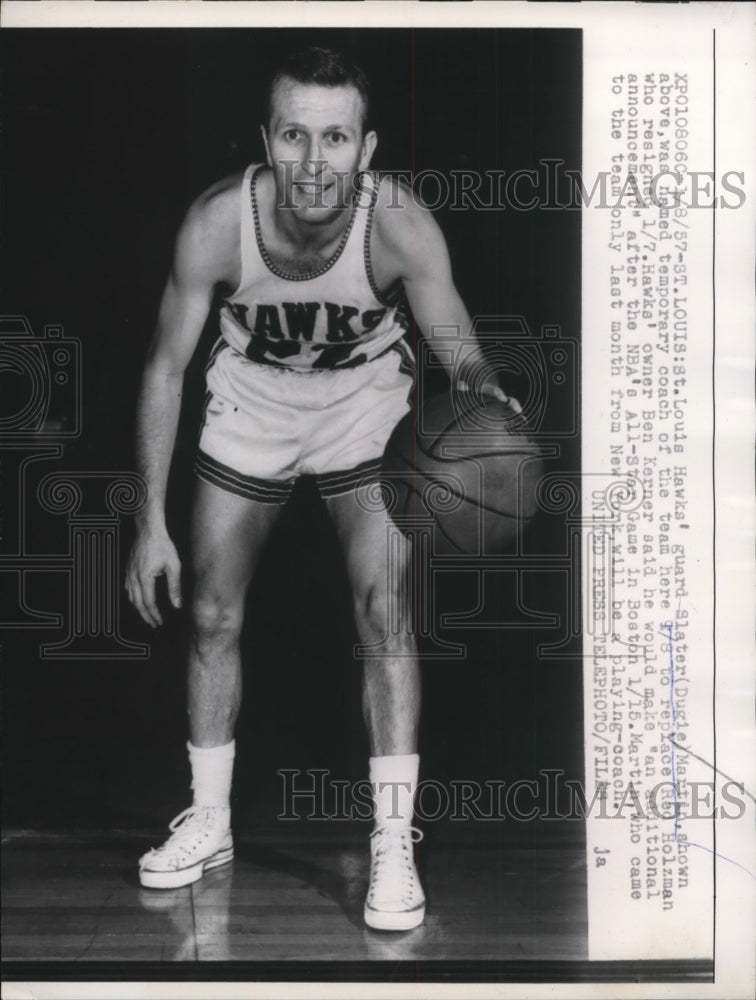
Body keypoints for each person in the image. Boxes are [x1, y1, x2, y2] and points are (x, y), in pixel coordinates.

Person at [126, 46, 509, 932]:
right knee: (213, 614)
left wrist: (487, 395)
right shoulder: (219, 222)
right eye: (294, 135)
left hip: (362, 408)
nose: (312, 161)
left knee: (385, 613)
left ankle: (390, 842)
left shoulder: (399, 226)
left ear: (365, 149)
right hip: (251, 406)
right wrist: (149, 520)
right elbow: (162, 370)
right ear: (268, 138)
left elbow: (459, 348)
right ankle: (212, 820)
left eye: (334, 138)